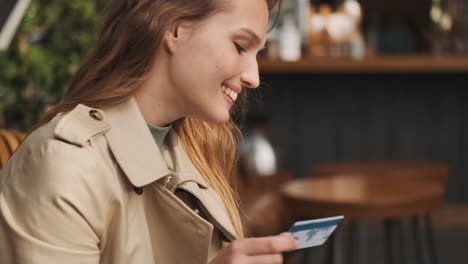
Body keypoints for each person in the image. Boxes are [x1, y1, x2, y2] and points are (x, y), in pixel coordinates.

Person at [0, 0, 298, 263]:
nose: (254, 77)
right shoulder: (64, 165)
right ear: (175, 30)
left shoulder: (194, 148)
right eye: (241, 46)